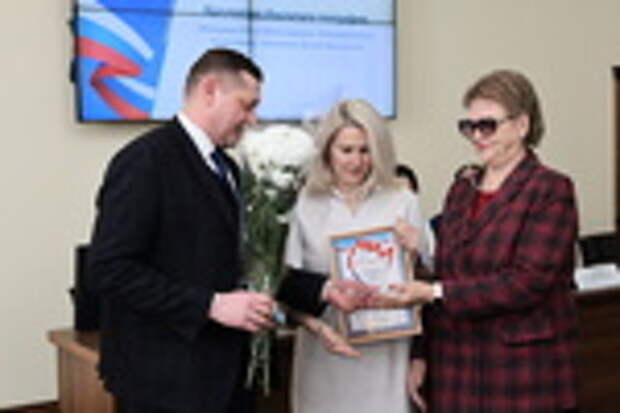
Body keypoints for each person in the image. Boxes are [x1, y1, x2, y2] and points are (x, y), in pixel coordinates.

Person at [369, 69, 580, 412]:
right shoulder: (462, 189)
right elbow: (443, 272)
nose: (477, 136)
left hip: (521, 374)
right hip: (456, 367)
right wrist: (420, 353)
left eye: (488, 126)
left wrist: (435, 292)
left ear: (522, 125)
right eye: (469, 126)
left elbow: (527, 283)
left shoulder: (550, 189)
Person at [86, 48, 276, 413]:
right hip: (166, 386)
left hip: (227, 379)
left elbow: (245, 258)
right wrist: (211, 305)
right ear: (210, 90)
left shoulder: (229, 169)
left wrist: (323, 290)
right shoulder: (144, 161)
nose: (253, 120)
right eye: (246, 105)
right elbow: (109, 269)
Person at [275, 99, 430, 413]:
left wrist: (419, 248)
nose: (356, 162)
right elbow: (285, 286)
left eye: (365, 150)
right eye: (346, 150)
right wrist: (318, 328)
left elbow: (430, 281)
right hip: (325, 352)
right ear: (327, 151)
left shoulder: (402, 200)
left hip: (387, 358)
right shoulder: (304, 202)